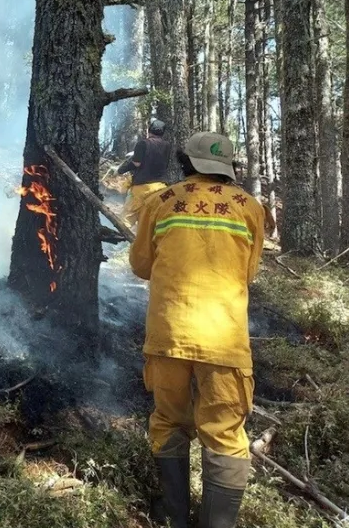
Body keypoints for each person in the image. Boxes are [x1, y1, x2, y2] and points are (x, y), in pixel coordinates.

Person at [130, 132, 265, 528]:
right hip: (225, 341)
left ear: (186, 163)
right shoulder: (249, 208)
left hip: (169, 335)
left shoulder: (160, 202)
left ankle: (174, 517)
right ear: (227, 168)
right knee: (224, 432)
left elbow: (140, 265)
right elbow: (249, 271)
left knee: (169, 421)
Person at [118, 119, 172, 227]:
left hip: (142, 187)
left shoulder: (143, 143)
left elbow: (136, 163)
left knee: (127, 218)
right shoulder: (167, 145)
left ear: (149, 130)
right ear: (163, 132)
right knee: (149, 220)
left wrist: (121, 169)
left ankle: (122, 240)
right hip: (161, 187)